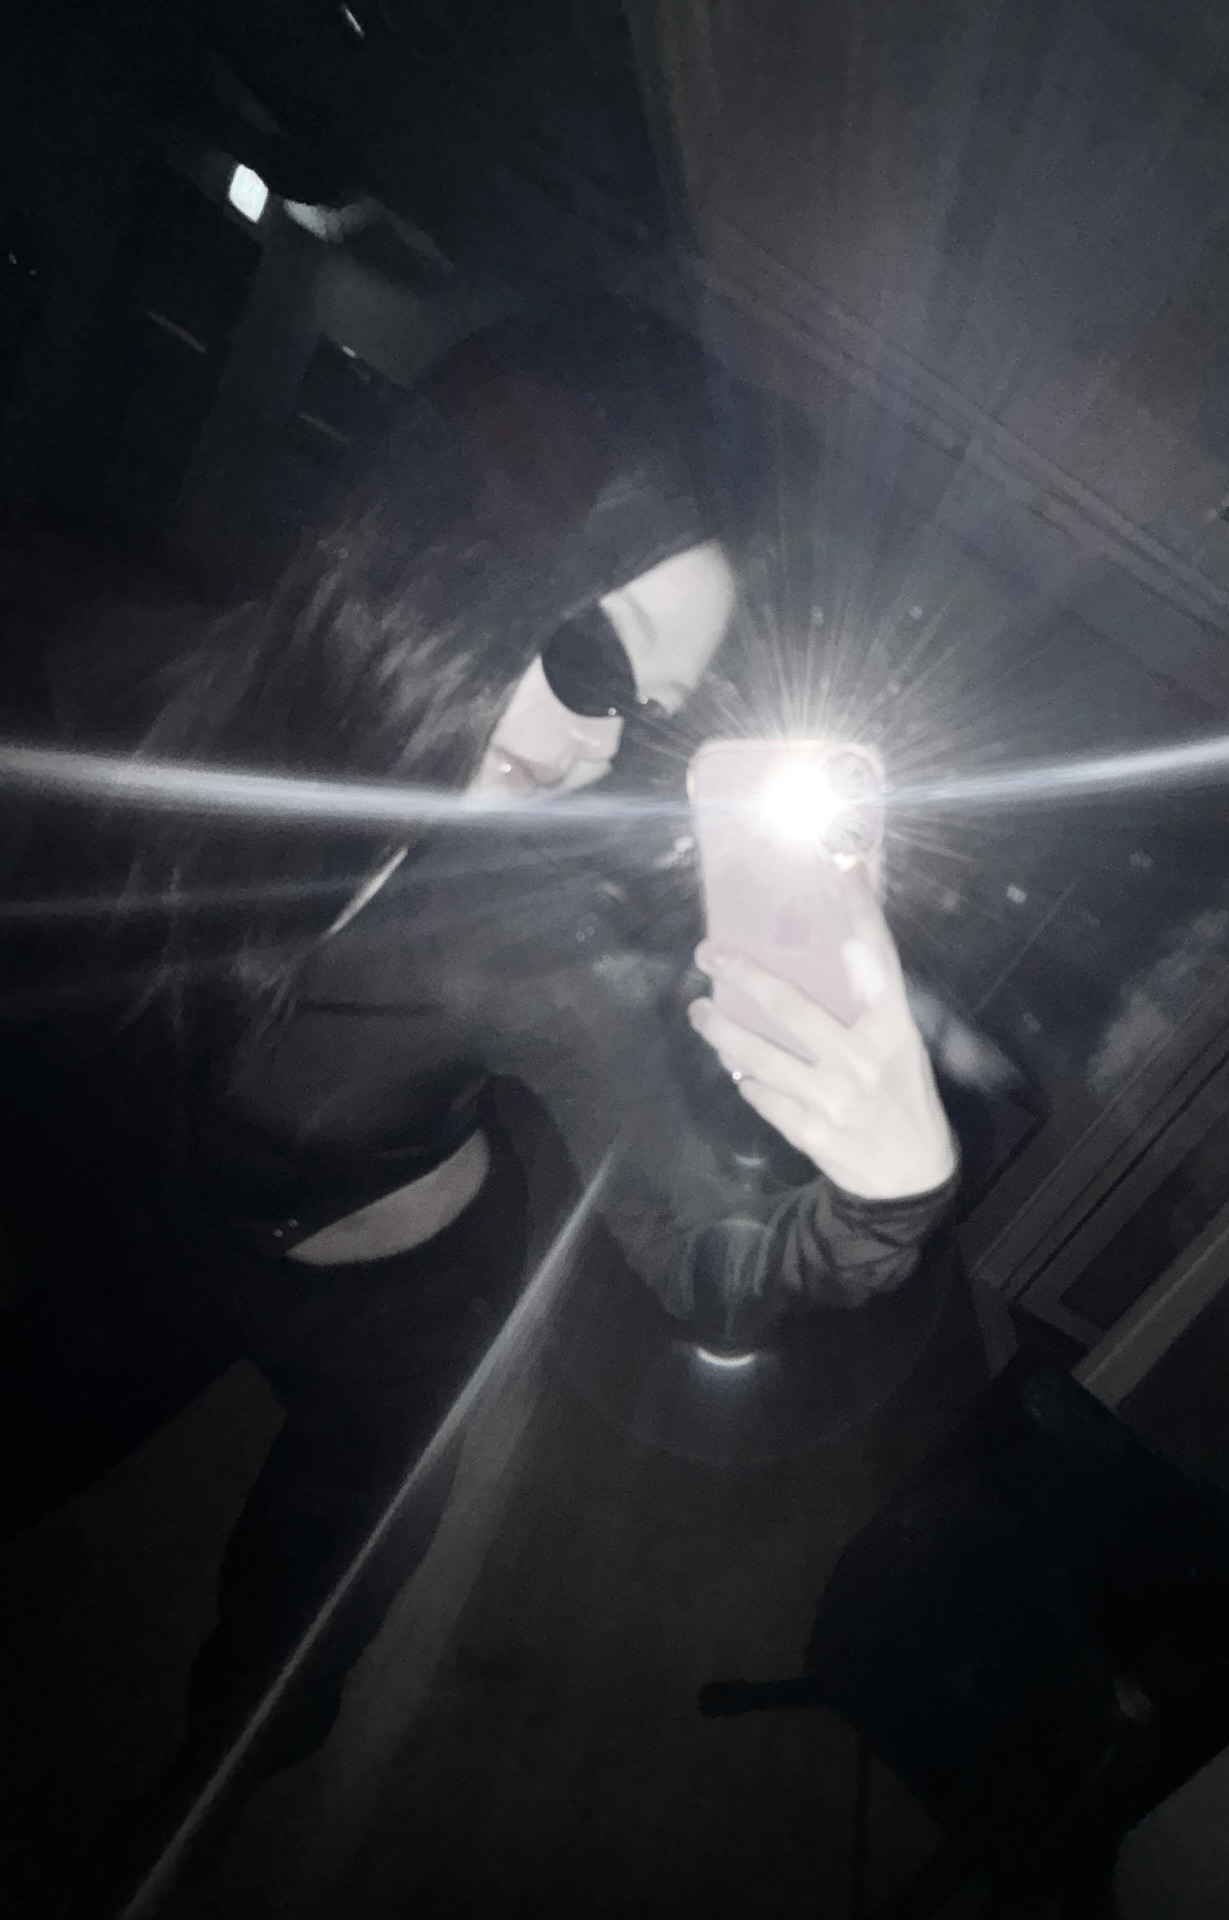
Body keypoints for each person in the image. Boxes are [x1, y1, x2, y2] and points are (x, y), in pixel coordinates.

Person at [28, 298, 959, 1902]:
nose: (599, 744)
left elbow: (713, 1267)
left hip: (392, 1307)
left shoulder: (541, 937)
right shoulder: (141, 690)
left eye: (647, 713)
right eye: (594, 657)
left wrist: (888, 1195)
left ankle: (183, 1830)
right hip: (155, 1206)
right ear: (455, 546)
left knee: (299, 1622)